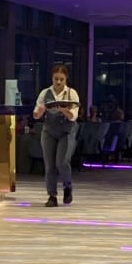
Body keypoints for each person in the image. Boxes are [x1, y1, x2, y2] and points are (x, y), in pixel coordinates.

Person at [33, 63, 80, 206]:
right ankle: (52, 196)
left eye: (61, 79)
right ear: (52, 78)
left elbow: (73, 116)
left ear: (66, 79)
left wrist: (63, 109)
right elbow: (36, 115)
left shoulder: (71, 93)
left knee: (62, 162)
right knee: (49, 164)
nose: (58, 82)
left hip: (66, 131)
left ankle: (67, 187)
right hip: (49, 131)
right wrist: (40, 110)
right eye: (56, 79)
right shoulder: (45, 93)